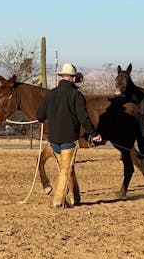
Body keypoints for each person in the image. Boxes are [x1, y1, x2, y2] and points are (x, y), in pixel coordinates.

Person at [36, 63, 102, 208]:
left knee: (64, 168)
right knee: (66, 169)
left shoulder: (50, 94)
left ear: (61, 77)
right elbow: (83, 117)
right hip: (69, 139)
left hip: (53, 140)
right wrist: (94, 134)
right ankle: (58, 201)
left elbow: (40, 115)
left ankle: (75, 197)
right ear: (73, 78)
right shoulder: (76, 95)